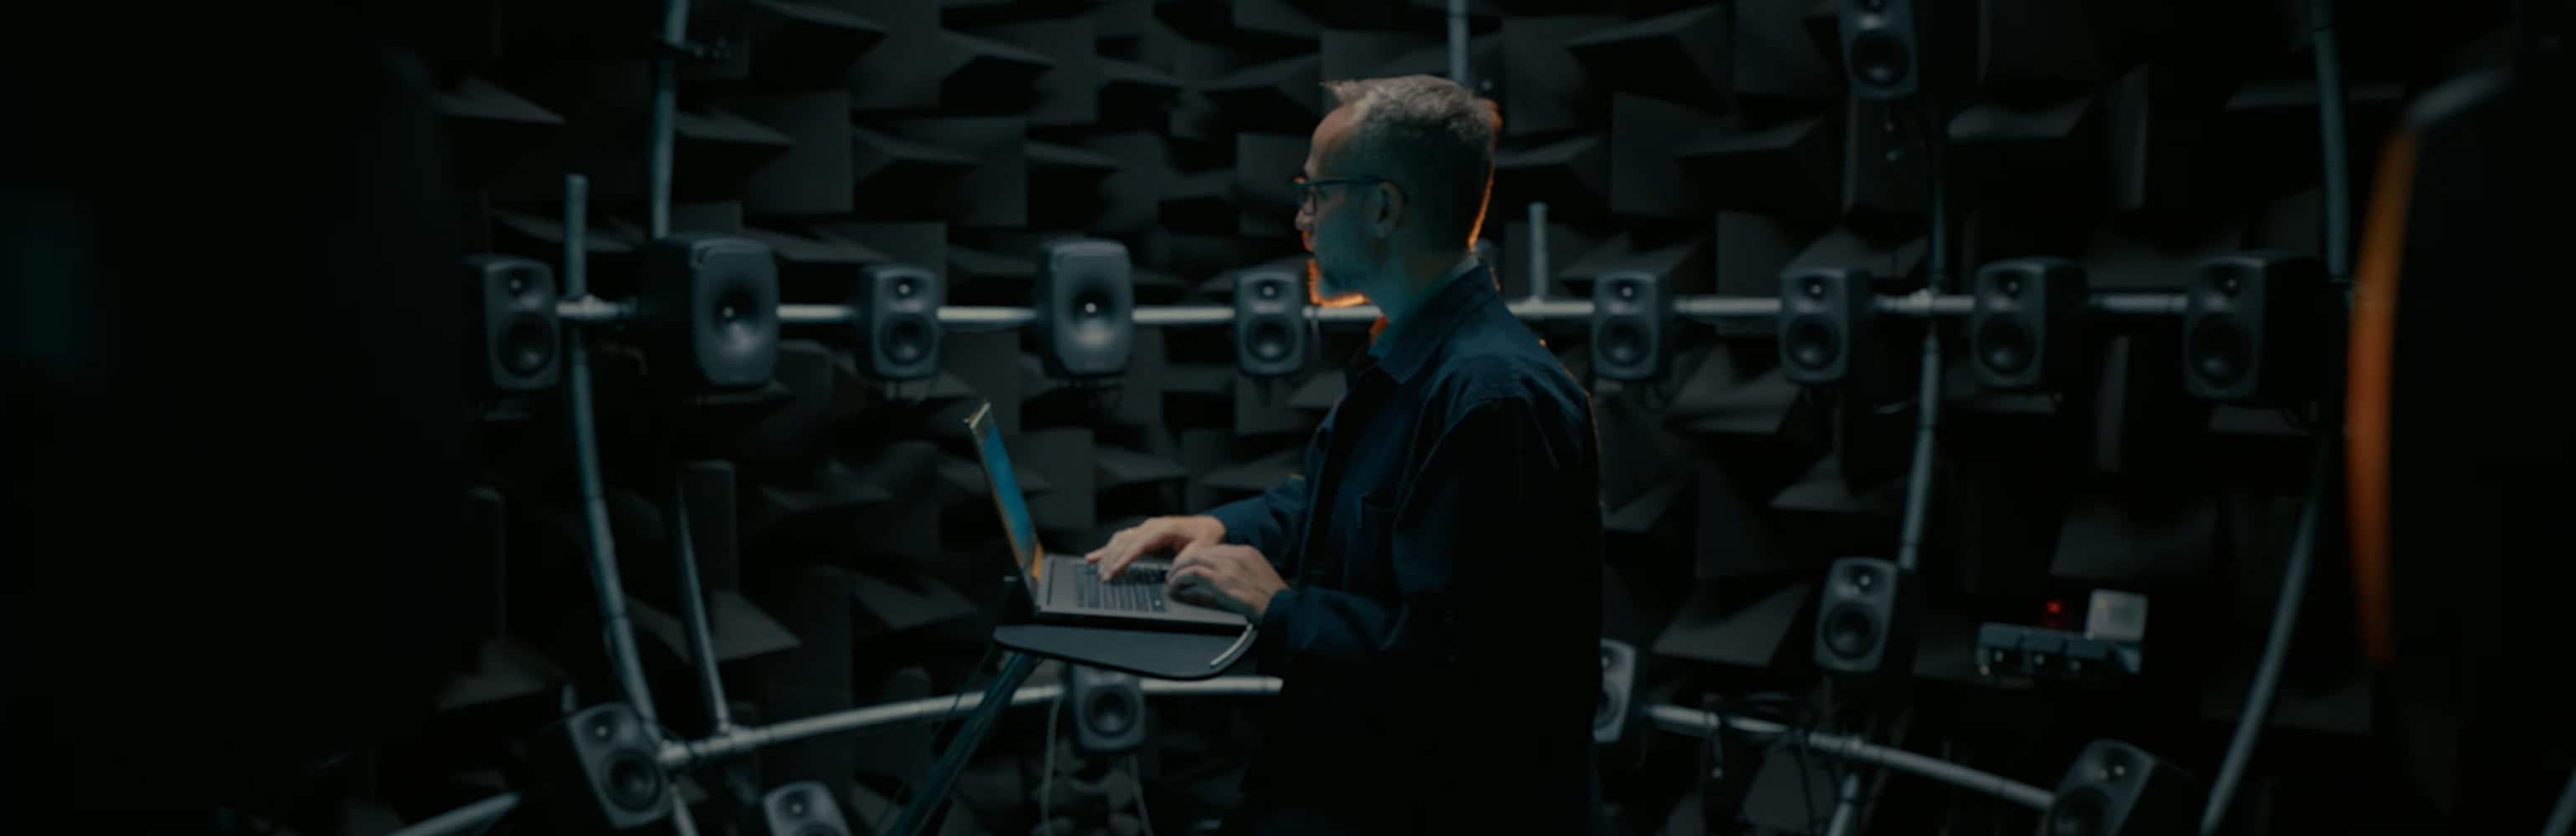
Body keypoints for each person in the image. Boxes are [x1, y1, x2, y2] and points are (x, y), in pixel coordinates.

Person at [1086, 74, 1607, 834]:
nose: (1300, 219)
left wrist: (1282, 607)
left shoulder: (1493, 397)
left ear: (1384, 207)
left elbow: (1476, 676)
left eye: (1314, 193)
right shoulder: (1415, 359)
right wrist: (1219, 529)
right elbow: (1333, 503)